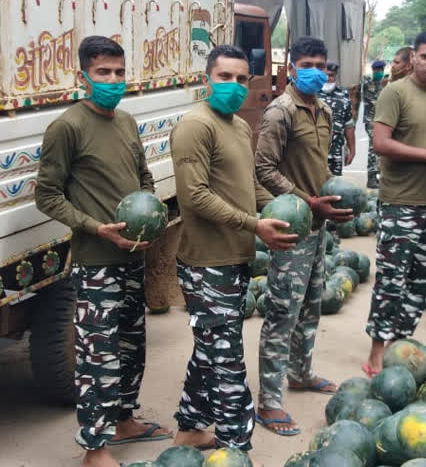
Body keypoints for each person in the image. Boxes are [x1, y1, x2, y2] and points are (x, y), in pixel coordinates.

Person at [35, 35, 172, 467]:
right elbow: (47, 196)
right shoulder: (67, 127)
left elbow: (143, 177)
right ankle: (94, 449)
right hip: (96, 263)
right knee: (98, 356)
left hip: (133, 256)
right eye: (102, 73)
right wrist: (96, 227)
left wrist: (150, 210)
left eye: (118, 72)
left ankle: (125, 420)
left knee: (132, 345)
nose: (113, 80)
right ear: (83, 77)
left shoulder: (127, 122)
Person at [170, 45, 297, 455]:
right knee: (227, 361)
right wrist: (253, 224)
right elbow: (193, 196)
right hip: (206, 264)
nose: (234, 86)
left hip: (235, 259)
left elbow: (249, 188)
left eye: (242, 79)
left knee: (211, 347)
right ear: (206, 79)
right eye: (225, 77)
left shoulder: (240, 127)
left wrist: (292, 206)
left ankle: (190, 427)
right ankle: (235, 448)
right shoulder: (195, 125)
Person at [255, 36, 354, 436]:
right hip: (294, 224)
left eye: (322, 63)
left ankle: (300, 372)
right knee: (282, 312)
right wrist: (307, 201)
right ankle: (269, 401)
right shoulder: (280, 112)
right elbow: (263, 168)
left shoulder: (325, 109)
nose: (316, 70)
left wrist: (329, 199)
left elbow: (321, 164)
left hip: (319, 222)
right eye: (307, 63)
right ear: (292, 68)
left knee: (311, 304)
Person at [362, 31, 426, 377]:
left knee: (420, 282)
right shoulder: (395, 93)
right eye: (425, 57)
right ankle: (377, 351)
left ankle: (399, 345)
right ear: (412, 59)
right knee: (391, 280)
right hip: (398, 203)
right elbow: (381, 143)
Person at [319, 61, 355, 176]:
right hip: (314, 154)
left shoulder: (344, 96)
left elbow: (348, 124)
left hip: (336, 154)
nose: (328, 79)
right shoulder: (311, 94)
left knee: (334, 188)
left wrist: (352, 148)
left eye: (331, 76)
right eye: (325, 75)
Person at [362, 59, 387, 188]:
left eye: (381, 70)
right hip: (371, 121)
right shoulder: (368, 83)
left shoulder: (386, 84)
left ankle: (379, 176)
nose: (380, 72)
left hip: (383, 122)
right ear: (373, 70)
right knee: (373, 149)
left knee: (383, 150)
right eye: (377, 70)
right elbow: (373, 99)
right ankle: (371, 178)